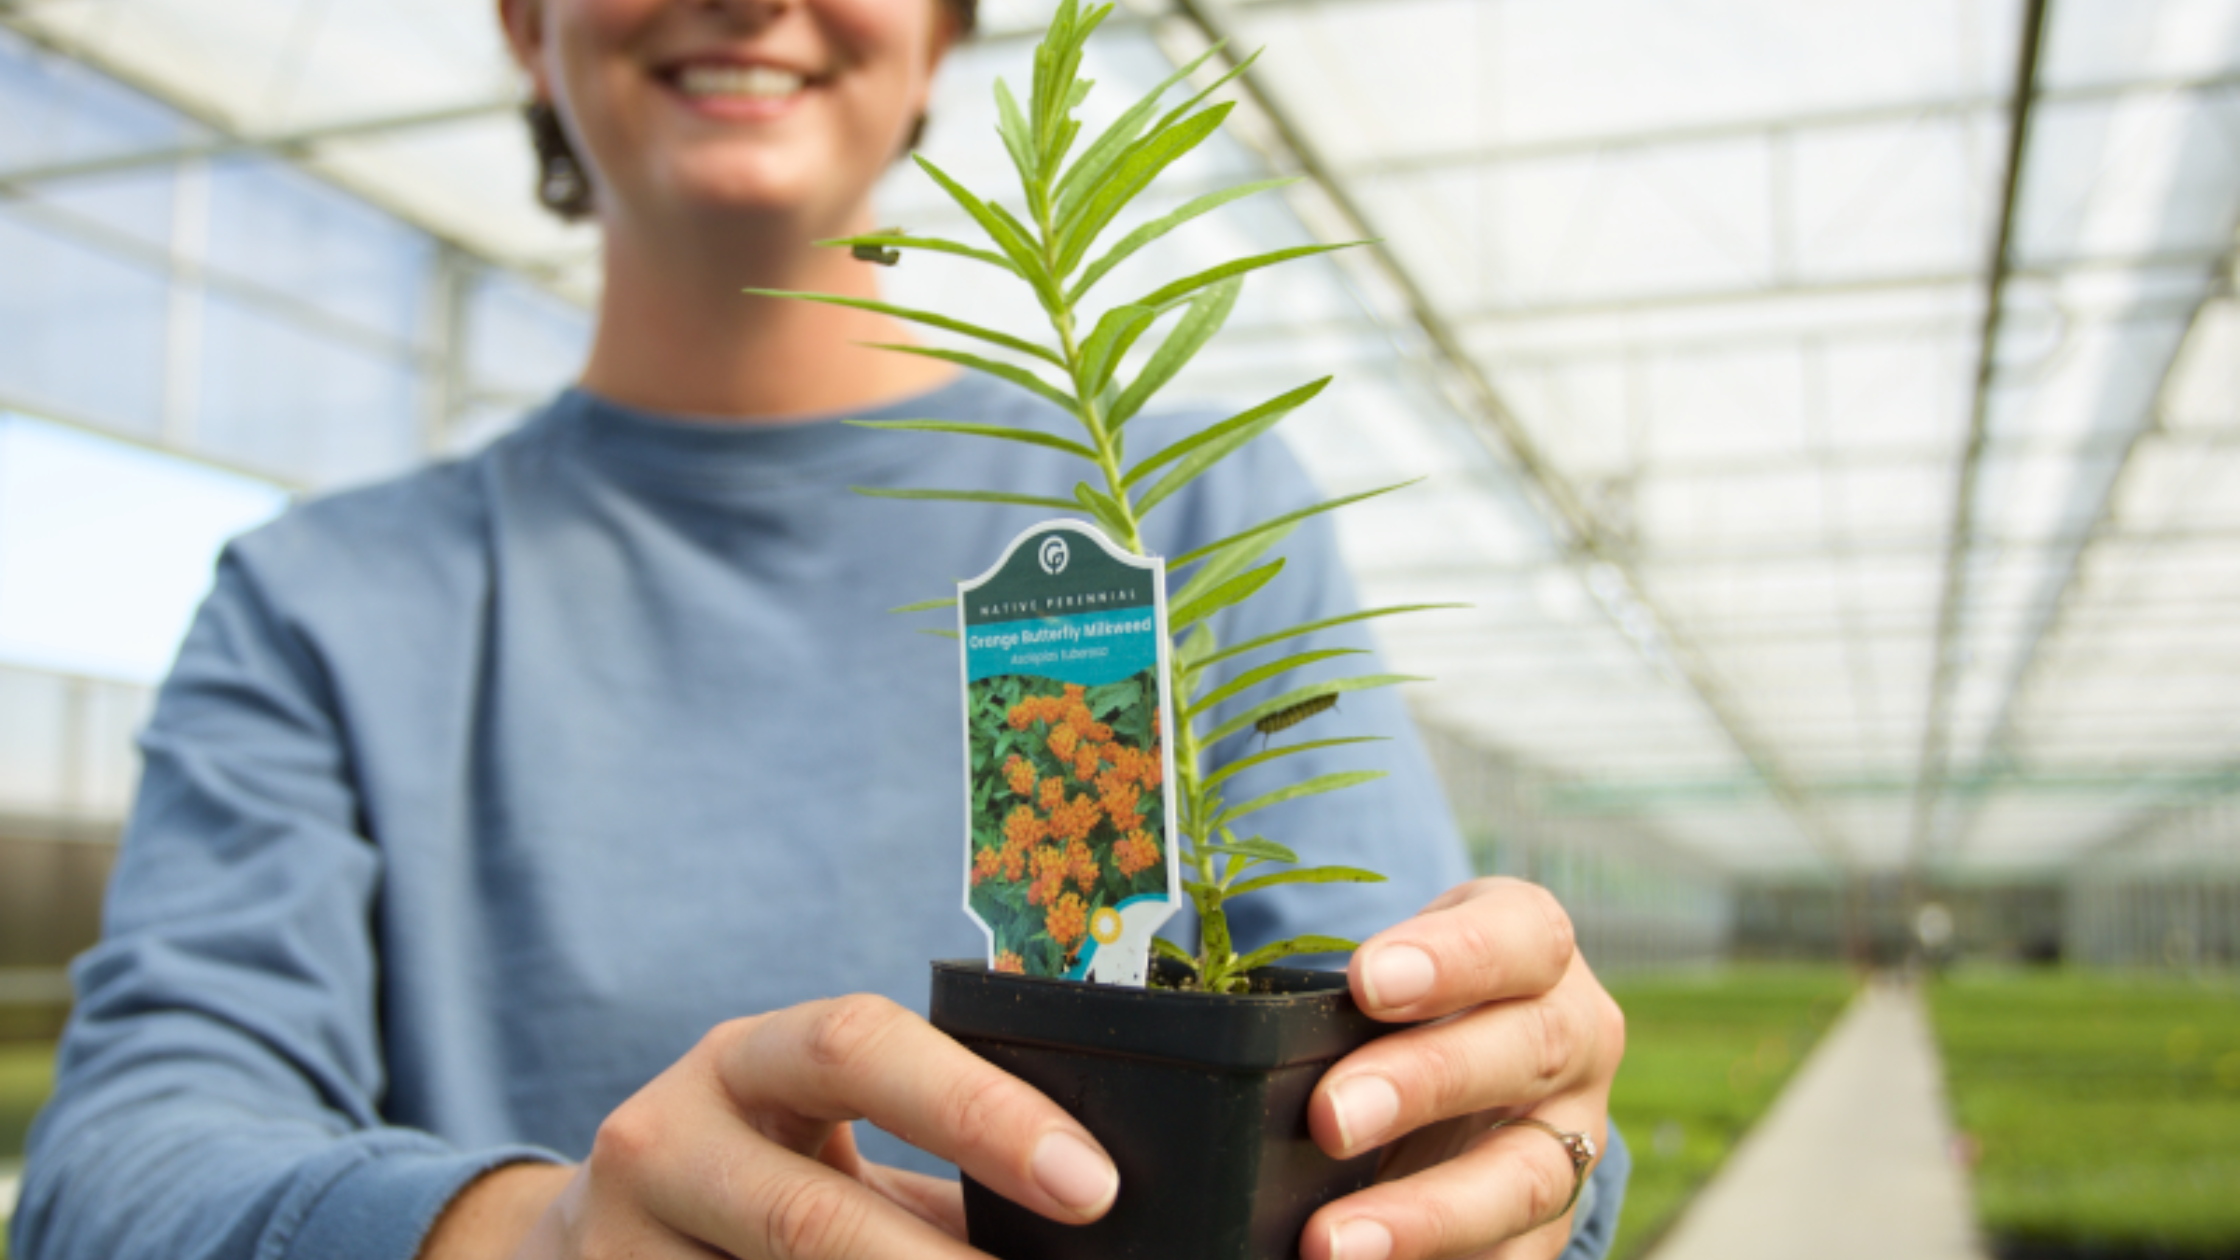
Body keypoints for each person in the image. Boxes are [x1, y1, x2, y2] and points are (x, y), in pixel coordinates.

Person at [10, 1, 1631, 1258]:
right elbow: (115, 1169)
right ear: (521, 19)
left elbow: (1430, 1083)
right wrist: (540, 1232)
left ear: (942, 30)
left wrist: (1529, 1142)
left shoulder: (1176, 509)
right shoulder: (322, 604)